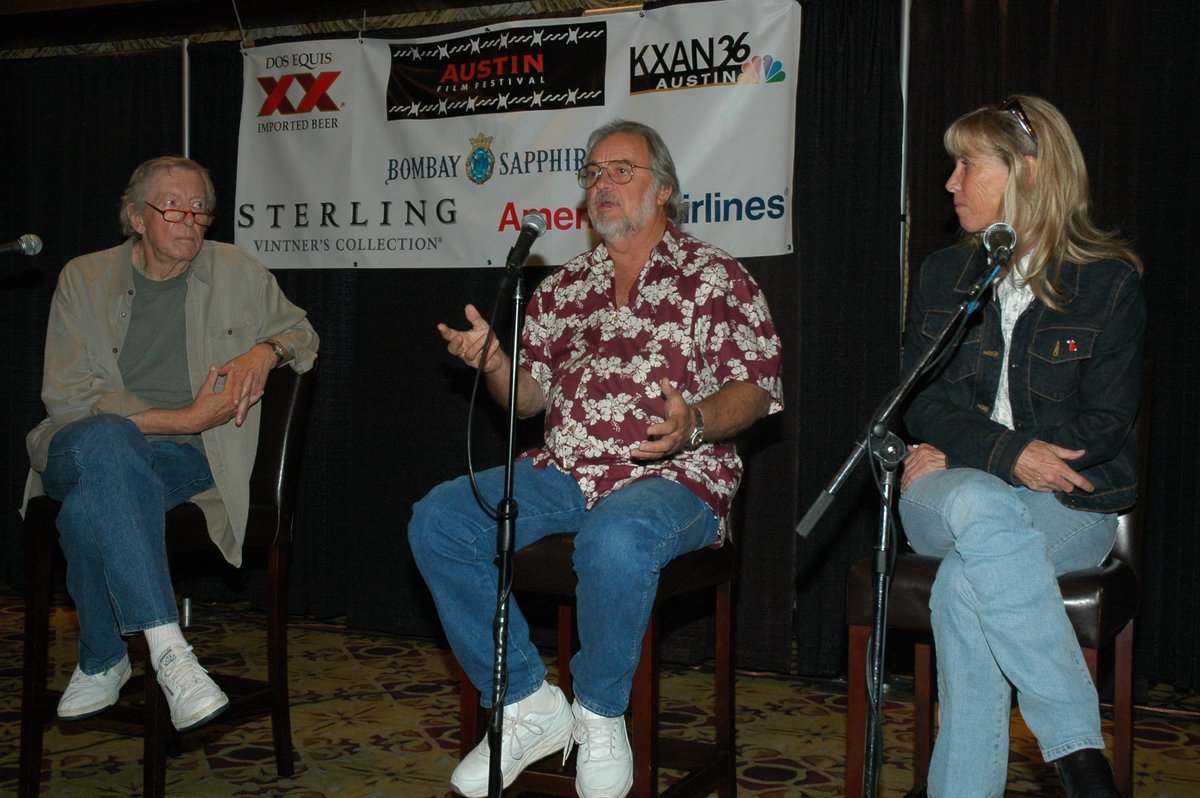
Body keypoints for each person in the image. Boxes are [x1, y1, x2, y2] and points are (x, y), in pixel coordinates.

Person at [409, 120, 783, 798]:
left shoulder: (716, 277)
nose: (602, 184)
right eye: (592, 174)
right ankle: (527, 703)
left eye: (621, 170)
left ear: (663, 189)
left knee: (615, 538)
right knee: (439, 519)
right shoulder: (562, 288)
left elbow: (756, 390)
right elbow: (527, 400)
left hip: (675, 476)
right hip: (565, 471)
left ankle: (601, 713)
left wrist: (695, 422)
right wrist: (495, 364)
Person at [899, 95, 1144, 798]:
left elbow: (1104, 424)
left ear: (1028, 171)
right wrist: (999, 457)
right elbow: (920, 400)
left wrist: (977, 450)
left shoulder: (1109, 281)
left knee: (966, 586)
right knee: (980, 504)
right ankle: (1081, 758)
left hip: (1066, 503)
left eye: (967, 165)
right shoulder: (943, 275)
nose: (950, 182)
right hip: (950, 493)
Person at [22, 156, 319, 733]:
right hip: (75, 446)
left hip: (184, 459)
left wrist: (266, 352)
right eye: (173, 206)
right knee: (110, 437)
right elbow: (68, 400)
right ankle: (170, 653)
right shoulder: (84, 277)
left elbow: (302, 335)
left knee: (86, 511)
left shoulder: (235, 270)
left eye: (200, 207)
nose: (190, 219)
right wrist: (185, 418)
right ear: (136, 218)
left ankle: (104, 657)